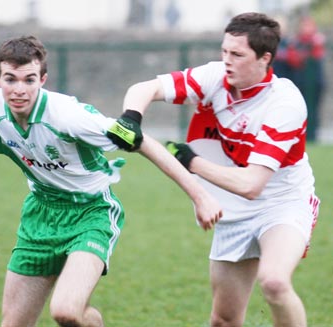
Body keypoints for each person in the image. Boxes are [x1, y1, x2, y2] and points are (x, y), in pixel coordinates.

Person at [0, 35, 222, 327]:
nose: (19, 89)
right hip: (40, 215)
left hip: (91, 214)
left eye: (29, 80)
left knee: (66, 312)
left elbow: (141, 141)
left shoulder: (68, 116)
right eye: (10, 79)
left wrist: (199, 195)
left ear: (43, 79)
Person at [109, 12, 320, 327]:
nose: (227, 61)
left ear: (265, 59)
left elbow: (252, 184)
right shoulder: (216, 76)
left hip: (282, 203)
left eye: (237, 54)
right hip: (232, 208)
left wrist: (191, 161)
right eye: (224, 51)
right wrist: (130, 117)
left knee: (274, 283)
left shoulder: (285, 103)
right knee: (224, 319)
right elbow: (146, 88)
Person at [273, 15, 326, 142]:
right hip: (298, 82)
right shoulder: (294, 42)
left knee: (311, 110)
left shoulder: (314, 41)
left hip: (311, 82)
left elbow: (314, 56)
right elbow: (294, 59)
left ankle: (311, 135)